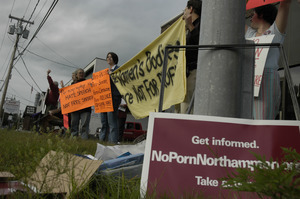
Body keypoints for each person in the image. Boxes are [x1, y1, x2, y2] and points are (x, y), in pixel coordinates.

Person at [245, 0, 292, 119]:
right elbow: (234, 15)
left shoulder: (275, 32)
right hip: (248, 78)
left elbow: (285, 5)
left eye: (253, 14)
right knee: (244, 118)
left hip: (266, 79)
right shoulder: (249, 34)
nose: (251, 18)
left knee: (262, 120)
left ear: (261, 14)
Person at [178, 0, 202, 114]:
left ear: (191, 9)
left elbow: (201, 46)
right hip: (185, 74)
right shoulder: (190, 27)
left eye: (185, 9)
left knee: (187, 110)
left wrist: (190, 26)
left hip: (194, 72)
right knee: (179, 109)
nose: (184, 12)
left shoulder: (202, 25)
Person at [99, 52, 122, 144]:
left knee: (112, 121)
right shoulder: (105, 71)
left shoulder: (118, 70)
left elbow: (120, 81)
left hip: (113, 97)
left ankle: (113, 142)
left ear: (115, 59)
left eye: (110, 57)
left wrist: (112, 74)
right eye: (107, 57)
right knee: (104, 122)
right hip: (104, 98)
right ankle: (102, 142)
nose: (108, 58)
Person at [70, 69, 91, 139]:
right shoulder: (72, 85)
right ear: (76, 75)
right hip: (75, 108)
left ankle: (84, 140)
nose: (81, 74)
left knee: (84, 125)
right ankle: (73, 139)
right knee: (74, 125)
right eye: (80, 73)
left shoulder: (88, 83)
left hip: (85, 108)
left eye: (82, 73)